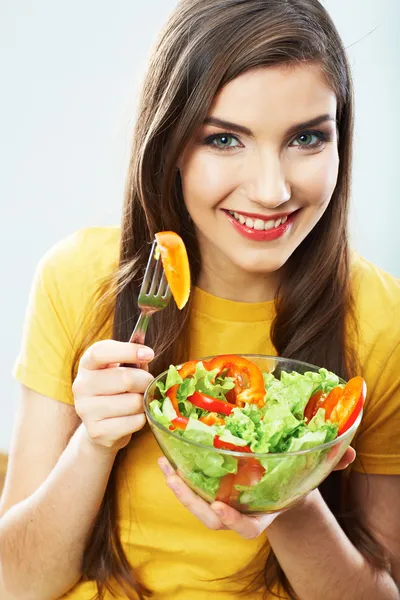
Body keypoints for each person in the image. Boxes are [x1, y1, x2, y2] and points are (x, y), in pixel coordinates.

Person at [1, 0, 399, 599]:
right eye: (225, 139)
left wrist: (284, 491)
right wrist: (95, 440)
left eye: (307, 137)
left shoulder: (378, 317)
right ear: (171, 147)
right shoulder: (80, 279)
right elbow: (15, 584)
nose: (272, 190)